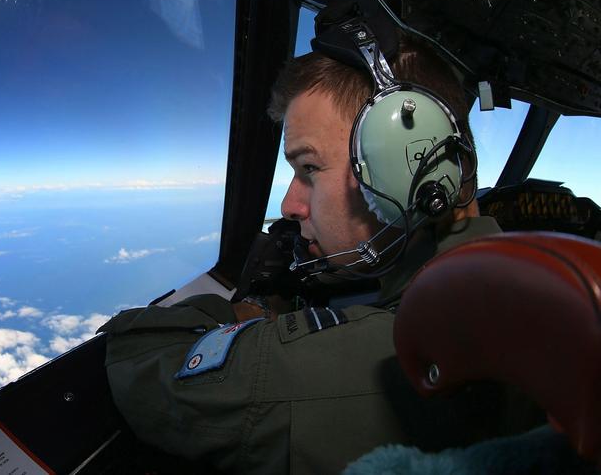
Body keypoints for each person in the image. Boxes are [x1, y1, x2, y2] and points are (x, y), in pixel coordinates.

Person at [98, 32, 536, 474]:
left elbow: (136, 361)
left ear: (410, 170)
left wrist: (244, 314)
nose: (290, 205)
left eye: (309, 169)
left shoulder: (392, 356)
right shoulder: (512, 282)